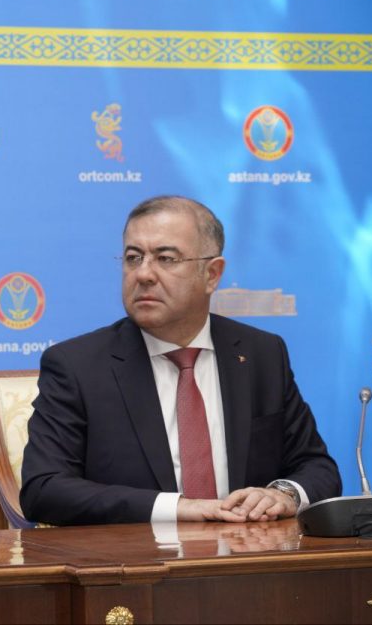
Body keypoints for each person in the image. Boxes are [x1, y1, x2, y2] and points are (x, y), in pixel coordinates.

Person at [20, 195, 340, 526]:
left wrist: (282, 494)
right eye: (133, 258)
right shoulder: (77, 366)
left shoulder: (262, 354)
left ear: (212, 274)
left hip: (250, 552)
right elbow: (44, 489)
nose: (144, 274)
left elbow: (317, 467)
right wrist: (177, 508)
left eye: (166, 258)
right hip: (137, 555)